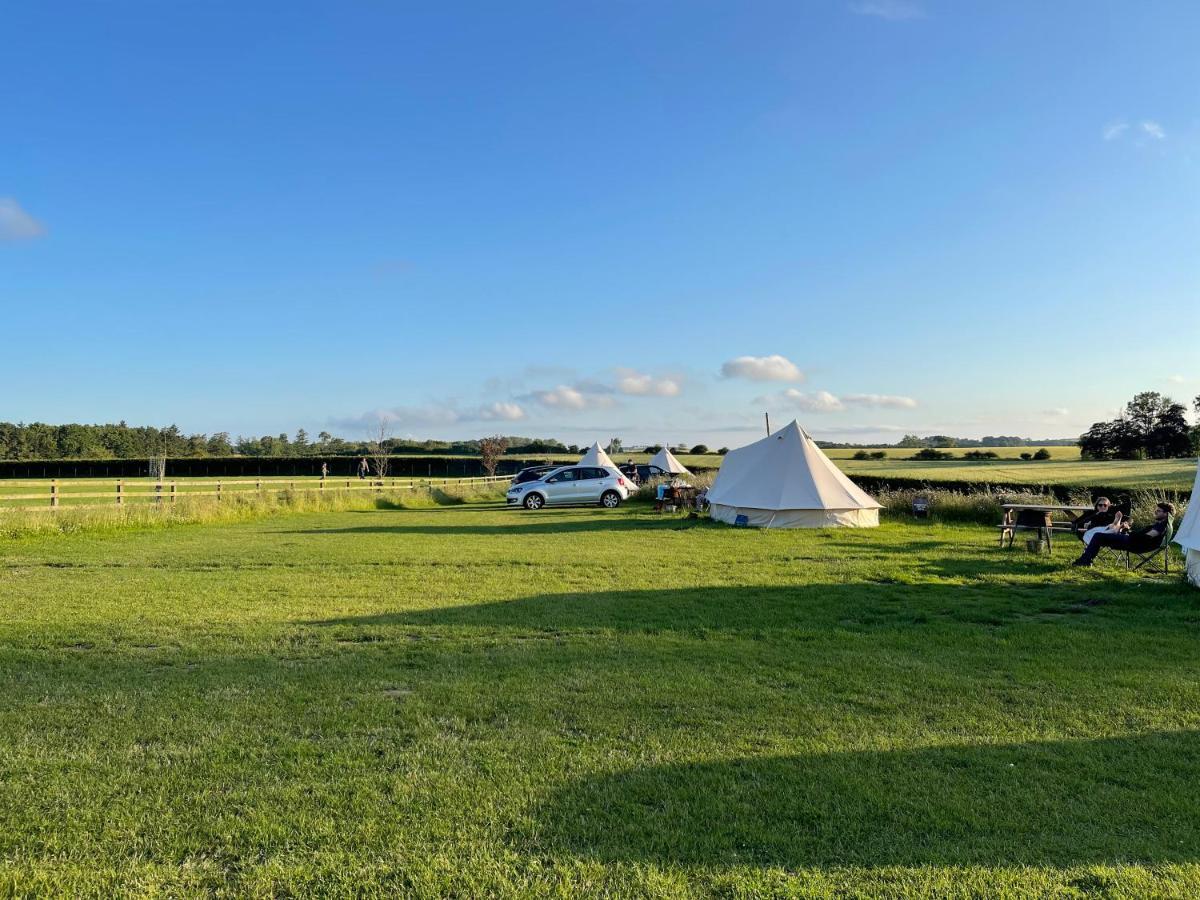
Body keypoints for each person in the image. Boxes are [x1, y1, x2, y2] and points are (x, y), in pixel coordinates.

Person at [1072, 502, 1174, 567]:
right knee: (1100, 537)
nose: (1155, 512)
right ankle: (1085, 560)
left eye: (1158, 511)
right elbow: (1145, 536)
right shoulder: (1163, 524)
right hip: (1134, 541)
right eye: (1156, 510)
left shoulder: (1162, 526)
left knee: (1098, 536)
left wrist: (1130, 534)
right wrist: (1128, 531)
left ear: (1166, 514)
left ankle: (1085, 560)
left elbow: (1147, 537)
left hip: (1135, 544)